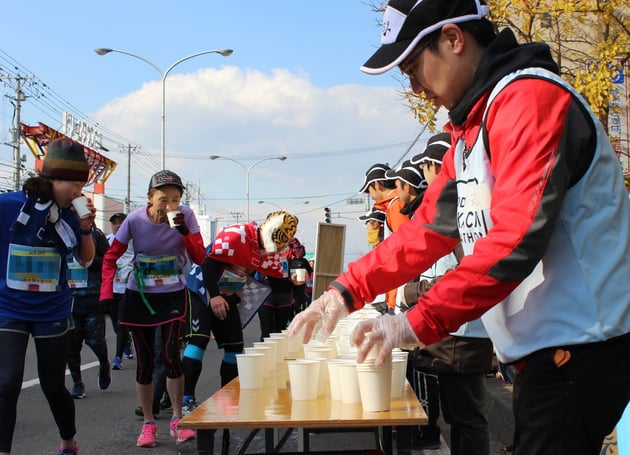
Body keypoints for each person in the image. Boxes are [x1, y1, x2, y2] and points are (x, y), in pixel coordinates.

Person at [289, 1, 630, 454]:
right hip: (540, 349)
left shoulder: (530, 99)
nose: (414, 87)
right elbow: (426, 229)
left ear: (453, 39)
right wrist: (346, 291)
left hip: (583, 345)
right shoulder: (472, 127)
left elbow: (514, 242)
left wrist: (415, 323)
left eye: (414, 67)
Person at [392, 133, 493, 454]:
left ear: (437, 166)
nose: (424, 176)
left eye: (425, 168)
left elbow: (469, 273)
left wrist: (412, 292)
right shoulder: (455, 204)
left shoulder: (464, 206)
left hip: (462, 333)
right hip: (451, 330)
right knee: (459, 416)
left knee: (466, 418)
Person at [0, 138, 95, 455]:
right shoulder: (9, 206)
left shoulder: (70, 215)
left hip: (51, 311)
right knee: (6, 383)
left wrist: (84, 229)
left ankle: (68, 439)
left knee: (53, 385)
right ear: (51, 178)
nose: (78, 191)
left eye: (82, 184)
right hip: (8, 307)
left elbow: (85, 259)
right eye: (73, 183)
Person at [100, 170, 206, 448]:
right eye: (163, 199)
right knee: (146, 363)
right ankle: (148, 423)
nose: (170, 205)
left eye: (175, 199)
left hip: (173, 294)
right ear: (149, 198)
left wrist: (184, 232)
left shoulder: (186, 216)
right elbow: (111, 256)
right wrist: (106, 292)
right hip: (141, 295)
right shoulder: (134, 220)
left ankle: (177, 418)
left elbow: (199, 257)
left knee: (171, 355)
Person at [179, 212, 298, 417]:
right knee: (199, 340)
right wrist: (213, 296)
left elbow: (276, 280)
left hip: (228, 291)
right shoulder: (235, 236)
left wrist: (293, 282)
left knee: (234, 347)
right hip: (201, 288)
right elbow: (208, 265)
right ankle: (185, 398)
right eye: (269, 246)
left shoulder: (273, 252)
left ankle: (228, 397)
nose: (268, 252)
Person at [67, 225, 112, 399]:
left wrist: (89, 260)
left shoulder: (96, 235)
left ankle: (103, 363)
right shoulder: (60, 230)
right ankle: (77, 383)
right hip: (69, 299)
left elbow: (108, 261)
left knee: (96, 341)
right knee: (72, 344)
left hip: (92, 296)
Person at [106, 212, 134, 370]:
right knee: (116, 324)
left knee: (121, 322)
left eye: (120, 222)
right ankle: (126, 342)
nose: (117, 225)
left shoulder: (134, 241)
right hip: (111, 288)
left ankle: (117, 357)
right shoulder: (107, 240)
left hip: (127, 288)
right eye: (114, 223)